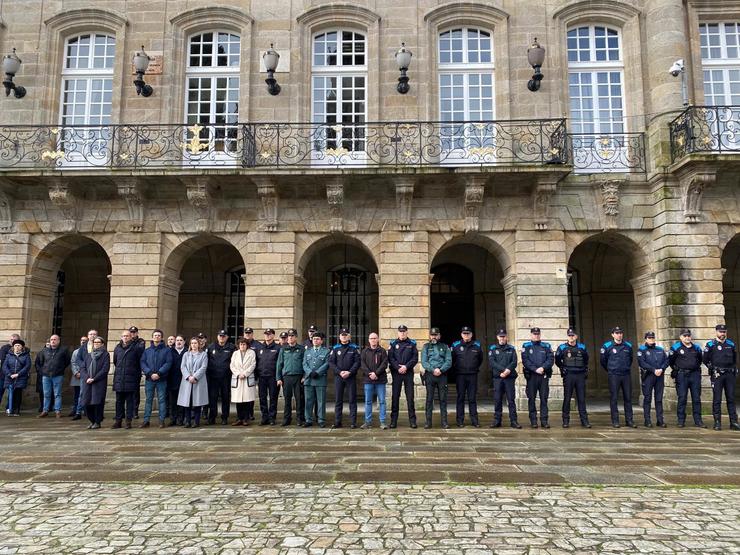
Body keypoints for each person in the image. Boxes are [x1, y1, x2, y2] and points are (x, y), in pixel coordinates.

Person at [703, 324, 739, 431]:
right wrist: (712, 368)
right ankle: (717, 422)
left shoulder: (731, 344)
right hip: (717, 374)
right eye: (720, 332)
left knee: (731, 398)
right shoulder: (710, 345)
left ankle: (733, 421)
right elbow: (705, 359)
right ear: (716, 332)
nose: (722, 334)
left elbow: (734, 359)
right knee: (717, 399)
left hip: (729, 374)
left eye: (724, 332)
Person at [669, 329, 706, 428]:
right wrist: (677, 369)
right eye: (685, 336)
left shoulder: (696, 348)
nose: (687, 337)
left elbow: (700, 360)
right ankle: (681, 420)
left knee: (696, 398)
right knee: (682, 398)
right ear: (681, 337)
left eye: (688, 336)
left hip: (694, 375)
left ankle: (698, 420)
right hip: (682, 375)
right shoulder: (675, 348)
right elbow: (671, 361)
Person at [600, 326, 635, 428]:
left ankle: (629, 420)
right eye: (616, 333)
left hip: (626, 375)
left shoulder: (628, 345)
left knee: (628, 398)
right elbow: (603, 361)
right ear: (612, 335)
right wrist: (611, 369)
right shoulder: (607, 346)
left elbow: (631, 359)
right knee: (614, 398)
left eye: (620, 333)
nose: (619, 335)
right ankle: (615, 421)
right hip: (614, 375)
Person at [555, 328, 591, 428]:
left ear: (576, 336)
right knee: (567, 398)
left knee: (581, 399)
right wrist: (563, 368)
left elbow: (586, 359)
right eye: (569, 335)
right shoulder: (562, 347)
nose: (571, 337)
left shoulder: (582, 347)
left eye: (573, 335)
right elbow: (557, 360)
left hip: (580, 375)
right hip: (569, 375)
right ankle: (565, 421)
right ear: (567, 336)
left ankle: (584, 421)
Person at [112, 329, 145, 429]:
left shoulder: (136, 348)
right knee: (118, 402)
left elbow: (140, 361)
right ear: (121, 337)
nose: (125, 337)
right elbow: (115, 361)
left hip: (131, 378)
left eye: (127, 336)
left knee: (130, 402)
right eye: (123, 336)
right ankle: (118, 421)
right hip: (119, 378)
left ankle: (128, 421)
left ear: (131, 337)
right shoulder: (117, 348)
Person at [488, 329, 521, 429]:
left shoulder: (511, 348)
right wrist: (504, 370)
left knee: (511, 400)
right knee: (497, 399)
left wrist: (507, 371)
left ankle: (514, 421)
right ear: (497, 337)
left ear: (506, 337)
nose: (502, 338)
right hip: (498, 378)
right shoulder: (493, 348)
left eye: (503, 336)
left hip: (509, 378)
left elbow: (514, 362)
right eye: (500, 336)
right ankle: (497, 421)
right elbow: (492, 362)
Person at [140, 329, 173, 429]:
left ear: (162, 338)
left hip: (161, 379)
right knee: (148, 400)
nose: (157, 337)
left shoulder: (167, 350)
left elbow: (168, 363)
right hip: (149, 379)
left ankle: (161, 420)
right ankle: (146, 420)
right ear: (152, 337)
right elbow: (143, 362)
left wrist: (159, 373)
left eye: (159, 335)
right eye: (155, 335)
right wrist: (150, 373)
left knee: (162, 400)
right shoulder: (147, 351)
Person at [452, 326, 484, 428]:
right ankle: (460, 420)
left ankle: (474, 420)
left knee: (472, 398)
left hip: (472, 375)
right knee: (460, 398)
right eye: (464, 333)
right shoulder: (456, 345)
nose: (466, 335)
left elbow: (480, 359)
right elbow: (452, 359)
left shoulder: (477, 345)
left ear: (471, 334)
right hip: (460, 375)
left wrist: (473, 367)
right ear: (461, 334)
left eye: (468, 333)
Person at [388, 324, 418, 429]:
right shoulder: (393, 343)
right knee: (395, 397)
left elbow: (415, 358)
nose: (402, 333)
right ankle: (393, 421)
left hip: (408, 373)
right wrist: (398, 367)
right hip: (396, 374)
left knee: (410, 398)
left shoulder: (412, 343)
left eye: (404, 331)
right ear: (398, 332)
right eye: (400, 331)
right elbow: (390, 358)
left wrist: (406, 366)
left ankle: (413, 421)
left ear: (407, 332)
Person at [329, 328, 360, 429]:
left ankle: (353, 422)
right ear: (339, 337)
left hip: (350, 377)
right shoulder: (335, 348)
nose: (344, 336)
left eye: (346, 335)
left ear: (349, 336)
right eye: (342, 335)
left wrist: (349, 372)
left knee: (352, 400)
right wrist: (339, 372)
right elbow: (331, 363)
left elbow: (357, 362)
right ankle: (338, 422)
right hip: (339, 377)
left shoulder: (354, 348)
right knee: (338, 400)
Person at [421, 327, 451, 429]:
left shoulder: (445, 346)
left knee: (443, 399)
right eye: (432, 335)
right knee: (429, 399)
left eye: (436, 335)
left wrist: (441, 370)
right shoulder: (426, 347)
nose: (434, 336)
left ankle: (444, 422)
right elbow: (424, 362)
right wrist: (433, 370)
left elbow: (448, 361)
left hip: (442, 375)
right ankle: (428, 422)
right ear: (430, 336)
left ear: (439, 336)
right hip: (430, 375)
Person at [637, 331, 669, 428]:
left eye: (652, 338)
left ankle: (660, 420)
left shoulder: (660, 349)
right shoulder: (642, 350)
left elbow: (666, 360)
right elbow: (642, 363)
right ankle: (647, 420)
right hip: (648, 376)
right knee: (647, 399)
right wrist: (653, 370)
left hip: (659, 376)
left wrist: (662, 369)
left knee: (659, 399)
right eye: (649, 338)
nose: (651, 339)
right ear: (646, 339)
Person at [35, 334, 71, 419]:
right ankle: (45, 410)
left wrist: (60, 369)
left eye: (55, 339)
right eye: (51, 340)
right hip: (46, 375)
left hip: (57, 375)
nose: (53, 341)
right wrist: (43, 371)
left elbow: (67, 361)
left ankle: (57, 410)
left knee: (57, 394)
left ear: (58, 341)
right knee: (46, 394)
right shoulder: (45, 351)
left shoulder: (63, 350)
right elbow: (41, 362)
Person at [177, 337, 209, 428]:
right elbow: (183, 367)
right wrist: (188, 377)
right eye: (192, 343)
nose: (194, 345)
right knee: (187, 402)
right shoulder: (186, 355)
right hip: (187, 381)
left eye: (195, 343)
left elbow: (203, 367)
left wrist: (195, 376)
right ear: (190, 344)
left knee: (197, 402)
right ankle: (187, 421)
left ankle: (196, 421)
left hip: (198, 381)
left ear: (198, 344)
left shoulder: (203, 355)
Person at [276, 329, 304, 427]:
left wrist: (304, 376)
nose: (290, 337)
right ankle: (287, 419)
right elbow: (279, 364)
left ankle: (300, 419)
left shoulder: (301, 349)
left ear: (296, 337)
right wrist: (278, 378)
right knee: (287, 399)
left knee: (299, 400)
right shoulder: (283, 349)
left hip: (298, 376)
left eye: (292, 336)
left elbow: (304, 363)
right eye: (289, 336)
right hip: (286, 377)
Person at [80, 337, 110, 429]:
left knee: (97, 403)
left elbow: (105, 369)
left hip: (98, 382)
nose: (96, 344)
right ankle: (92, 420)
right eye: (95, 342)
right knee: (86, 402)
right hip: (87, 382)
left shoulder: (105, 355)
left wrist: (95, 378)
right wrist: (87, 378)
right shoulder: (89, 355)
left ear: (102, 344)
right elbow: (83, 368)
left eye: (98, 342)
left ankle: (97, 421)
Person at [206, 330, 235, 425]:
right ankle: (212, 416)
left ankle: (224, 417)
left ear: (227, 337)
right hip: (213, 377)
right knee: (212, 398)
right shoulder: (211, 347)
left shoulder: (231, 347)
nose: (222, 337)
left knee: (225, 398)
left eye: (223, 336)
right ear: (217, 337)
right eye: (220, 336)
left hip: (226, 377)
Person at [360, 332, 388, 429]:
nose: (373, 340)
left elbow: (384, 364)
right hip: (368, 380)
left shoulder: (382, 351)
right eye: (371, 338)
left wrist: (376, 373)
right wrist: (370, 374)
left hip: (380, 380)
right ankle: (368, 422)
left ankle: (383, 422)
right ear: (369, 340)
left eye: (375, 338)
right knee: (368, 401)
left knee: (382, 401)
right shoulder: (365, 351)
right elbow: (362, 364)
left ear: (378, 339)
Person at [303, 331, 329, 428]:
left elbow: (327, 364)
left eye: (317, 339)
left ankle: (321, 420)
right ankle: (308, 419)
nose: (315, 341)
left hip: (320, 379)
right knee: (308, 401)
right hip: (309, 379)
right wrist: (310, 372)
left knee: (321, 401)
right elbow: (304, 364)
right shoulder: (307, 351)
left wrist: (318, 372)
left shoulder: (326, 351)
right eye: (314, 339)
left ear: (322, 341)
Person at [230, 337, 257, 426]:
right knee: (238, 400)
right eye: (241, 344)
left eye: (244, 344)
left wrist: (245, 374)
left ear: (247, 345)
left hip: (247, 378)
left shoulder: (251, 353)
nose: (242, 346)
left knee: (246, 400)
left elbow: (253, 365)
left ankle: (246, 418)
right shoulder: (235, 353)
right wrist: (238, 374)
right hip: (238, 379)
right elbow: (232, 366)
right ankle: (239, 418)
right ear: (238, 345)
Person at [256, 329, 280, 425]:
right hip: (262, 377)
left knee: (273, 398)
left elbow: (279, 363)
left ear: (273, 336)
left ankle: (272, 417)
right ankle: (264, 417)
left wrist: (279, 377)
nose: (267, 336)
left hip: (273, 377)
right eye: (266, 334)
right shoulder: (260, 347)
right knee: (262, 398)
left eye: (269, 334)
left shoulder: (278, 348)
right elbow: (257, 362)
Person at [2, 339, 30, 416]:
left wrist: (18, 374)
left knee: (18, 393)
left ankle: (17, 410)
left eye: (19, 345)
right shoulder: (8, 355)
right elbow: (4, 366)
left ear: (22, 347)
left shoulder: (26, 356)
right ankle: (10, 409)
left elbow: (27, 366)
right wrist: (9, 374)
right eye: (15, 345)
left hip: (20, 377)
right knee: (11, 393)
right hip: (10, 377)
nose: (17, 347)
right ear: (13, 347)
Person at [168, 335, 186, 426]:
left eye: (181, 340)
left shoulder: (187, 352)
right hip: (172, 380)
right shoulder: (169, 351)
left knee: (182, 401)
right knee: (172, 401)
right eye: (177, 340)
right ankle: (172, 419)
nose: (179, 342)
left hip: (184, 380)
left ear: (184, 342)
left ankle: (180, 419)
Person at [128, 326, 146, 419]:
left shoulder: (140, 342)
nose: (133, 334)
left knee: (135, 392)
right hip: (127, 370)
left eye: (134, 332)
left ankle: (135, 411)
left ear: (137, 333)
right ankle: (127, 411)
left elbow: (138, 351)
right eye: (131, 332)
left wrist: (131, 342)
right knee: (126, 392)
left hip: (136, 370)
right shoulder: (126, 342)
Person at [0, 333, 21, 411]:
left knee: (11, 394)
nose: (12, 341)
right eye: (11, 339)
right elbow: (3, 361)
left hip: (14, 376)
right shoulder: (4, 348)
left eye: (14, 340)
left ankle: (9, 408)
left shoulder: (21, 349)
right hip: (3, 375)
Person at [69, 336, 86, 419]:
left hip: (85, 375)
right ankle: (75, 409)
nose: (83, 342)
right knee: (76, 394)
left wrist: (83, 373)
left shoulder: (89, 351)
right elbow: (73, 362)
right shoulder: (76, 352)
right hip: (77, 376)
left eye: (85, 340)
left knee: (84, 394)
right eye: (82, 340)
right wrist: (76, 372)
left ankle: (84, 409)